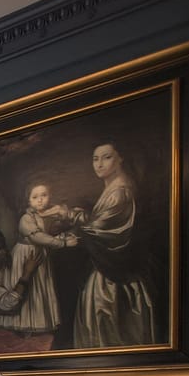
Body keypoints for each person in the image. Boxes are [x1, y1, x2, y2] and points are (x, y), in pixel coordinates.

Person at [65, 141, 156, 348]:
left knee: (109, 329)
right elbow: (102, 222)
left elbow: (99, 231)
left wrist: (69, 215)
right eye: (95, 159)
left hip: (113, 278)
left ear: (120, 158)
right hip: (106, 272)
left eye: (107, 157)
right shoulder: (113, 188)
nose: (99, 164)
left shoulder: (120, 192)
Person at [4, 181, 76, 333]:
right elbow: (38, 237)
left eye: (44, 195)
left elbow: (49, 234)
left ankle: (40, 324)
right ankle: (26, 326)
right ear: (28, 200)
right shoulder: (26, 218)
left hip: (40, 255)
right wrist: (63, 243)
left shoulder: (41, 215)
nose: (40, 200)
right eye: (35, 196)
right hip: (26, 255)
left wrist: (63, 235)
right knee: (31, 291)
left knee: (40, 288)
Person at [0, 227, 45, 324]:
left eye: (3, 247)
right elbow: (10, 303)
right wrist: (27, 273)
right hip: (1, 324)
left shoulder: (7, 260)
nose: (4, 252)